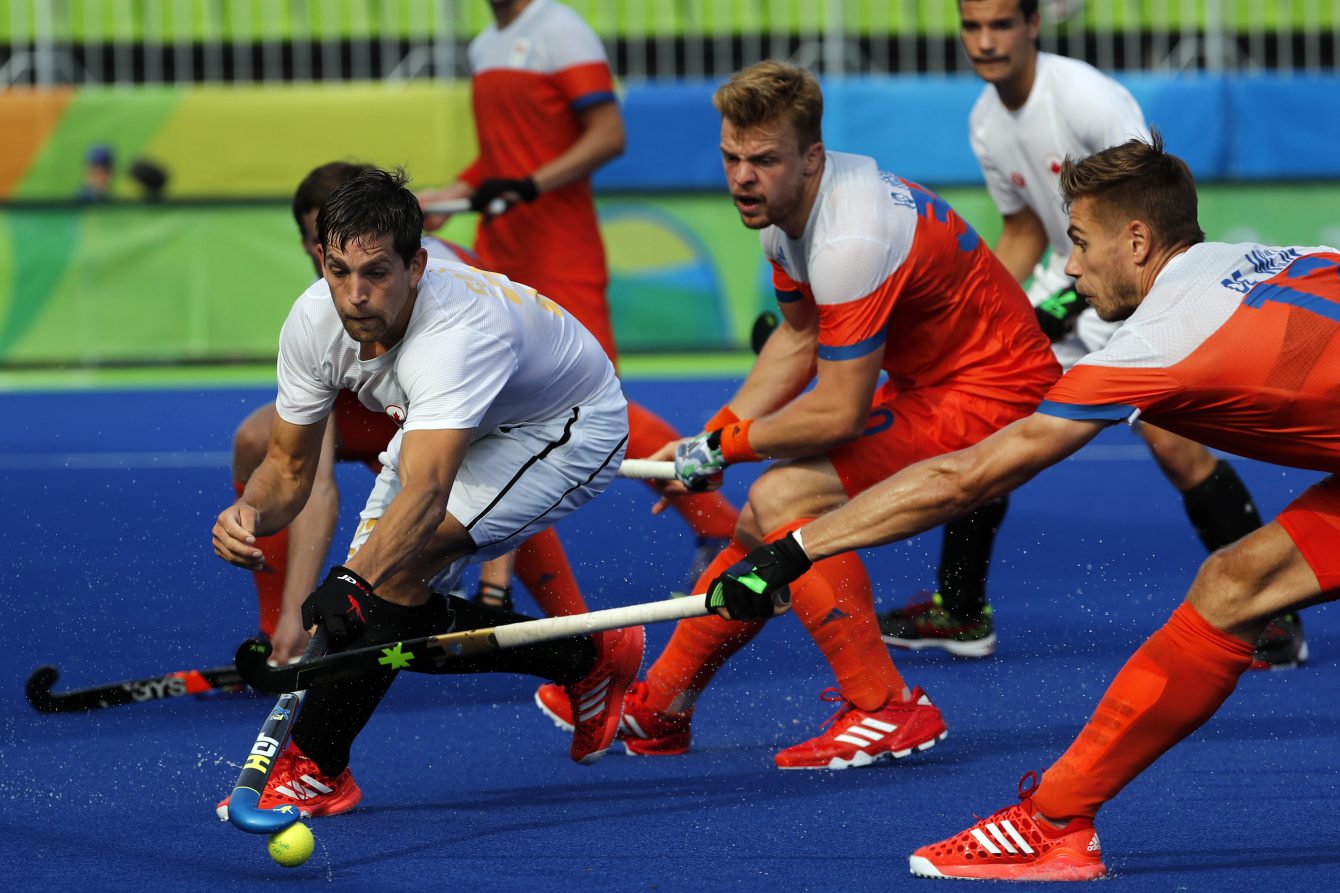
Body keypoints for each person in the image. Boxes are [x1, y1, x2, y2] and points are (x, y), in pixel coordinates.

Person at [703, 133, 1340, 880]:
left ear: (1137, 240)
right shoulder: (1279, 259)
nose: (1069, 265)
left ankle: (1056, 818)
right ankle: (1057, 821)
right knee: (1238, 583)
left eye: (1080, 243)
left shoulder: (1160, 339)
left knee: (1240, 581)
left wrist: (795, 549)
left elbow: (968, 476)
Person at [534, 60, 1060, 770]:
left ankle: (885, 706)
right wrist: (708, 434)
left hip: (997, 398)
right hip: (933, 386)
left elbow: (838, 410)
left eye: (763, 160)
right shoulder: (785, 218)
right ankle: (660, 707)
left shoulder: (849, 236)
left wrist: (722, 449)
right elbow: (799, 338)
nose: (742, 177)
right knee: (763, 519)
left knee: (783, 494)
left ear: (811, 156)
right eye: (731, 158)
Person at [876, 0, 1306, 671]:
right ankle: (960, 610)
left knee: (1175, 446)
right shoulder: (986, 122)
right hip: (1072, 284)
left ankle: (1273, 615)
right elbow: (1021, 229)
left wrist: (1065, 308)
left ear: (1033, 25)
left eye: (1000, 25)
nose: (985, 41)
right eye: (972, 26)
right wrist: (995, 311)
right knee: (991, 422)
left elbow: (1145, 198)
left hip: (1130, 287)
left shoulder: (1082, 97)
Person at [213, 169, 644, 818]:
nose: (354, 295)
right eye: (337, 270)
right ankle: (590, 655)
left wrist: (354, 582)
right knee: (391, 600)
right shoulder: (312, 319)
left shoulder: (455, 334)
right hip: (447, 424)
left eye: (376, 273)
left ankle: (318, 767)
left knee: (385, 578)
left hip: (565, 425)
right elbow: (288, 469)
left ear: (417, 264)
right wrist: (251, 509)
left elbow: (426, 493)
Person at [417, 0, 739, 592]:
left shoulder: (560, 29)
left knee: (595, 407)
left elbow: (608, 135)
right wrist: (452, 194)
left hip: (562, 255)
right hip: (503, 256)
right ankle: (492, 583)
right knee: (505, 416)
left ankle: (720, 525)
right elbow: (503, 158)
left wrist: (530, 185)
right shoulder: (486, 44)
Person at [233, 161, 592, 665]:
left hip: (462, 400)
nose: (350, 284)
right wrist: (293, 616)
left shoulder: (447, 302)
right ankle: (277, 634)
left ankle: (576, 631)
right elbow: (301, 476)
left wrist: (493, 583)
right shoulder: (330, 297)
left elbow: (488, 437)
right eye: (330, 255)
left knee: (458, 514)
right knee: (259, 441)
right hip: (385, 401)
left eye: (373, 266)